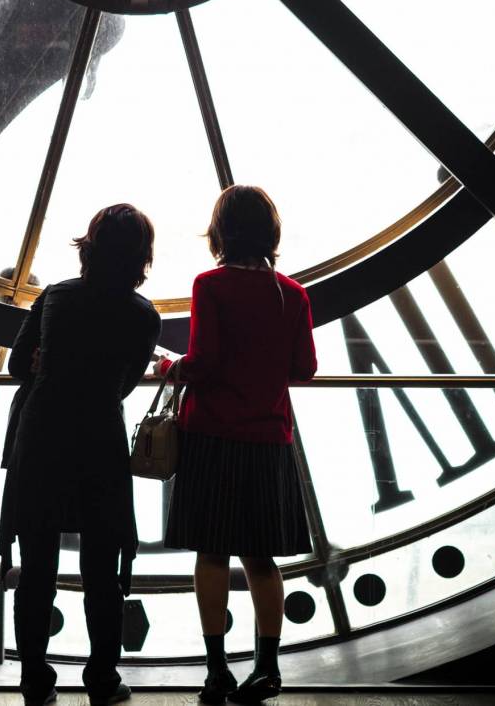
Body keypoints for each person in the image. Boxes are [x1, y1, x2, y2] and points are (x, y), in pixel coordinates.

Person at [0, 204, 162, 706]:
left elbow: (16, 369)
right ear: (140, 258)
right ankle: (101, 679)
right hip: (100, 440)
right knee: (102, 570)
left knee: (37, 565)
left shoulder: (55, 297)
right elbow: (125, 385)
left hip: (42, 435)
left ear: (88, 248)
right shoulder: (143, 316)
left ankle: (34, 680)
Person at [159, 185, 317, 704]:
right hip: (269, 437)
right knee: (261, 559)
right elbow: (304, 369)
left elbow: (202, 362)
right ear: (271, 233)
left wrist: (169, 368)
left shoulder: (210, 285)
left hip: (212, 435)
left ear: (221, 232)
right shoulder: (292, 295)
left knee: (212, 555)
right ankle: (267, 667)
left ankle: (216, 669)